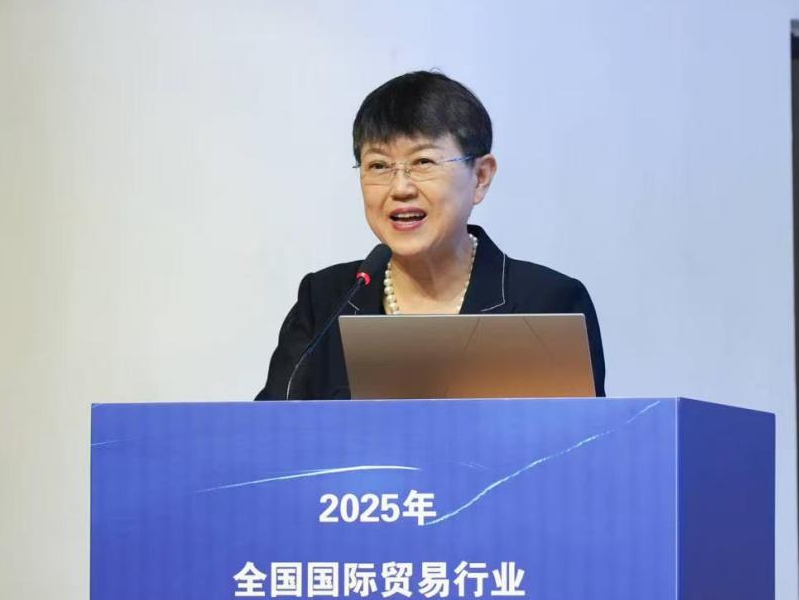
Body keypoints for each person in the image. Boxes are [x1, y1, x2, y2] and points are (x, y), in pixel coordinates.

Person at [256, 70, 606, 400]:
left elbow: (583, 439)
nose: (400, 188)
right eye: (378, 165)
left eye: (423, 162)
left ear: (480, 177)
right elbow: (269, 431)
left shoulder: (547, 305)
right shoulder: (324, 302)